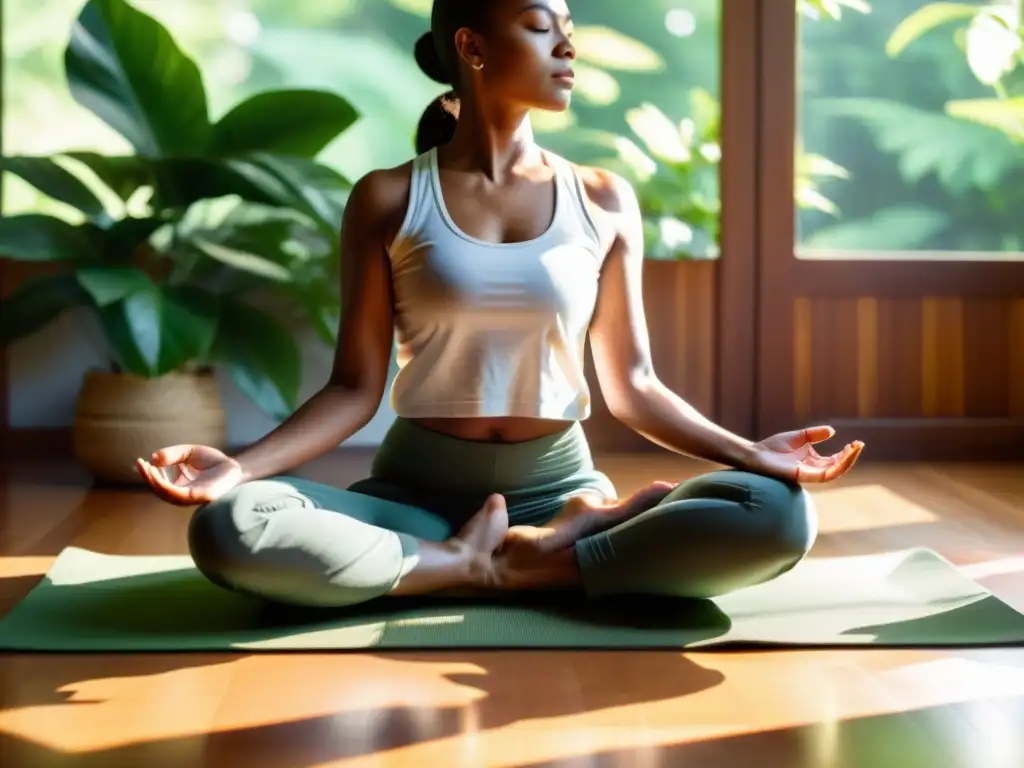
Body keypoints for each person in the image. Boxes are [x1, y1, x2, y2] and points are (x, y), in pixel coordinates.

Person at [136, 0, 863, 608]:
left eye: (567, 26)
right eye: (542, 24)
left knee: (775, 515)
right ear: (472, 46)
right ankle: (470, 561)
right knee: (230, 526)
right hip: (413, 494)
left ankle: (524, 556)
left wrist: (750, 453)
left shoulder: (604, 200)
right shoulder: (388, 197)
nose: (568, 43)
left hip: (559, 487)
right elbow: (354, 391)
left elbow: (634, 387)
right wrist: (239, 467)